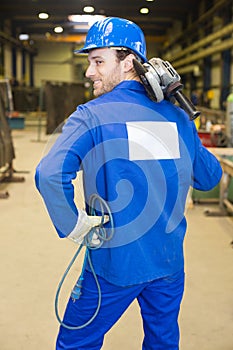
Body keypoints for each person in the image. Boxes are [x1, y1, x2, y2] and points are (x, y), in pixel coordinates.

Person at [35, 17, 222, 350]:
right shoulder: (175, 116)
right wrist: (183, 123)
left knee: (76, 344)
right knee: (163, 343)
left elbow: (49, 174)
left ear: (129, 62)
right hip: (167, 264)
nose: (89, 72)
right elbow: (209, 177)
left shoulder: (91, 115)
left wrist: (73, 223)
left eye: (98, 61)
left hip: (113, 265)